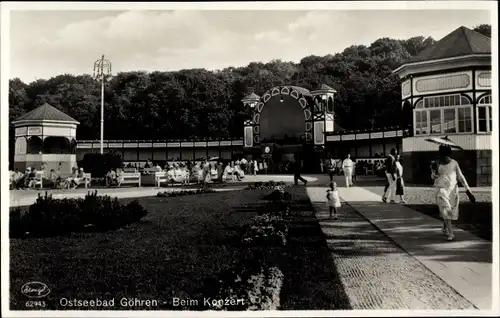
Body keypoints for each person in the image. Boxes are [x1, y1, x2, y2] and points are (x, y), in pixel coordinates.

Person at [432, 145, 475, 241]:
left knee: (449, 210)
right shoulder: (437, 163)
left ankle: (444, 228)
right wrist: (434, 171)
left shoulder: (454, 163)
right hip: (441, 189)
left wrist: (468, 190)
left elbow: (461, 177)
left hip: (452, 190)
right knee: (445, 208)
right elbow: (433, 177)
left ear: (447, 154)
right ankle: (451, 233)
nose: (441, 156)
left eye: (443, 154)